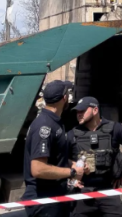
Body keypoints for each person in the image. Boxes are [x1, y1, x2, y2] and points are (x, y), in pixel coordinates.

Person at [69, 97, 122, 217]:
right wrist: (72, 175)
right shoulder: (72, 134)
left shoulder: (114, 128)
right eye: (77, 111)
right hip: (83, 190)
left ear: (95, 110)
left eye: (82, 111)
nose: (79, 114)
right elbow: (61, 157)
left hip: (107, 189)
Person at [22, 80, 82, 217]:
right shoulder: (45, 126)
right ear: (64, 98)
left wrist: (69, 162)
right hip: (44, 200)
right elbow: (38, 169)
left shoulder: (54, 122)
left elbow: (52, 155)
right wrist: (71, 172)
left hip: (53, 196)